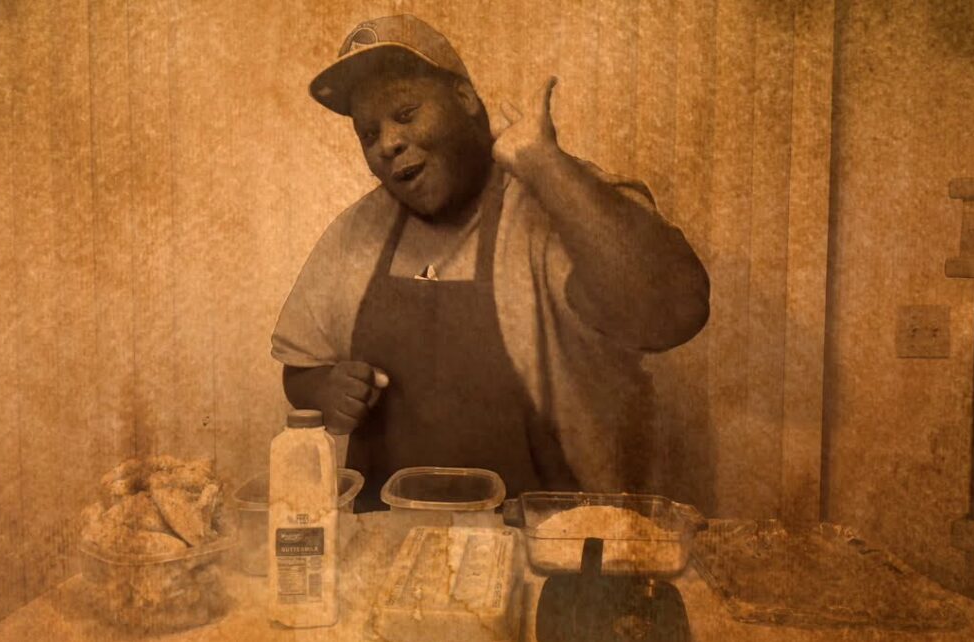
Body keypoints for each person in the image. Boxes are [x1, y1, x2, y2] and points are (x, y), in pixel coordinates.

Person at [271, 15, 709, 510]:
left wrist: (545, 163)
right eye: (368, 134)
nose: (388, 142)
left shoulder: (554, 201)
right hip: (395, 543)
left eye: (406, 113)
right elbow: (300, 369)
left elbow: (674, 312)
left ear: (464, 97)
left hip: (552, 541)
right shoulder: (356, 233)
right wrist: (324, 390)